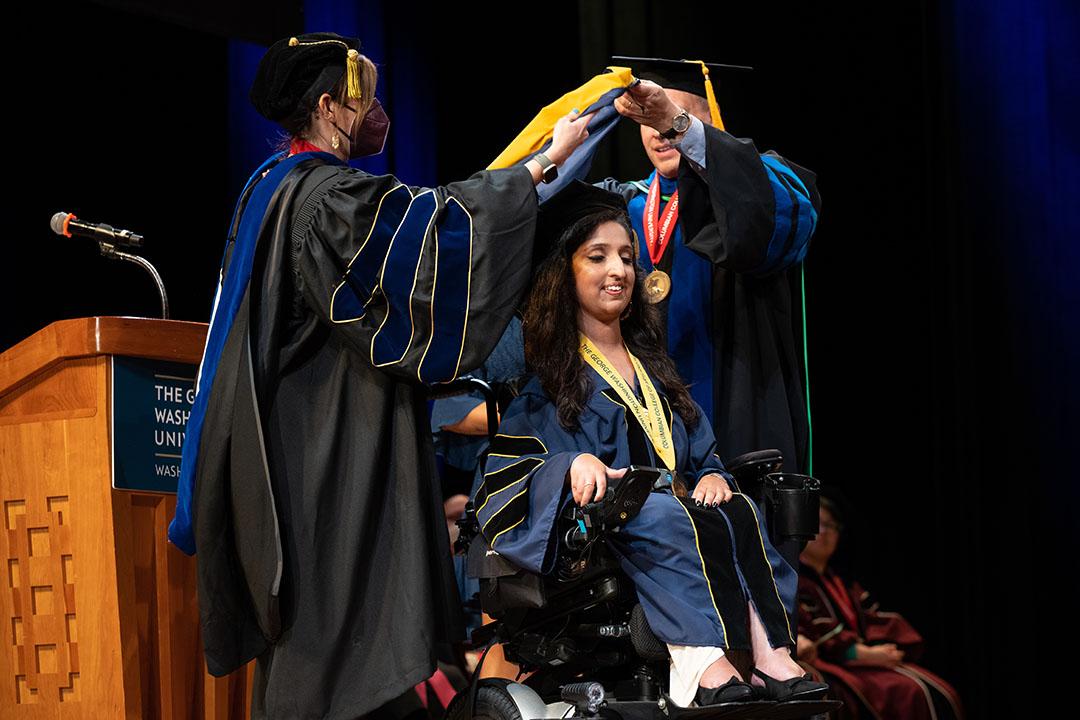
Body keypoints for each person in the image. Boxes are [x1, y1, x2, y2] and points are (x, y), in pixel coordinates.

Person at [166, 32, 592, 719]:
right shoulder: (328, 198)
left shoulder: (269, 188)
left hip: (298, 442)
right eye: (367, 97)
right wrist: (543, 166)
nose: (381, 110)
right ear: (330, 106)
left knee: (329, 645)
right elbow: (433, 237)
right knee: (339, 640)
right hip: (330, 454)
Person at [473, 181, 827, 707]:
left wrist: (713, 476)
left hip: (675, 510)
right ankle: (700, 663)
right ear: (565, 275)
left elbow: (700, 449)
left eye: (625, 257)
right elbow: (506, 472)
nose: (618, 270)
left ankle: (770, 652)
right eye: (597, 257)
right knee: (660, 515)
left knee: (741, 508)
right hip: (603, 533)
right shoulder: (547, 384)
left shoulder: (654, 371)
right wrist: (568, 466)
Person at [601, 57, 821, 476]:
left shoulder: (767, 182)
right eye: (649, 118)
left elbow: (771, 223)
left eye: (671, 115)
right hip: (643, 432)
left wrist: (679, 125)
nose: (660, 132)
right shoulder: (622, 205)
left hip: (737, 411)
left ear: (707, 119)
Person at [797, 499, 964, 720]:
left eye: (832, 526)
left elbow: (874, 620)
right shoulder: (795, 580)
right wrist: (859, 653)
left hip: (859, 663)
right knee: (909, 692)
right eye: (819, 524)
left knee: (940, 691)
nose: (826, 533)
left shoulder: (842, 582)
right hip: (828, 663)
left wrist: (885, 648)